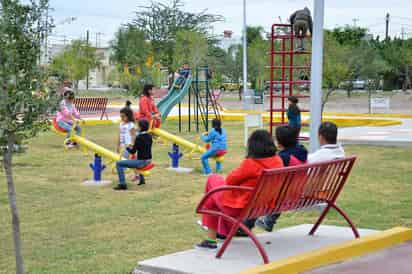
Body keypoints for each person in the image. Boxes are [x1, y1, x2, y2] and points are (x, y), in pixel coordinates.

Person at [196, 130, 284, 250]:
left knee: (213, 180)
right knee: (213, 194)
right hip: (262, 205)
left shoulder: (251, 164)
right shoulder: (278, 161)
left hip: (240, 207)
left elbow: (230, 180)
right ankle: (219, 233)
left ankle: (212, 239)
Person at [255, 125, 308, 232]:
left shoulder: (284, 158)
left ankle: (247, 224)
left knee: (257, 191)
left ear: (279, 143)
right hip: (299, 191)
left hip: (286, 196)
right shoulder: (302, 152)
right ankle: (268, 221)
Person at [114, 119, 153, 191]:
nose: (136, 127)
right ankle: (142, 180)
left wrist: (127, 147)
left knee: (119, 164)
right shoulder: (149, 136)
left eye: (137, 126)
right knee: (135, 158)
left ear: (140, 128)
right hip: (149, 160)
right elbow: (142, 148)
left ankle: (122, 184)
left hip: (142, 162)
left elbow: (132, 152)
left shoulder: (139, 138)